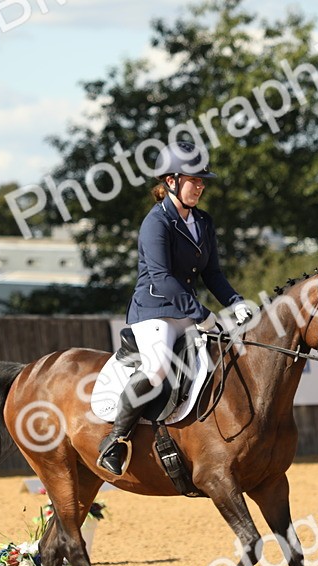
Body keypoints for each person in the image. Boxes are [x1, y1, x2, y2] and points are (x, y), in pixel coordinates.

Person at [96, 140, 253, 476]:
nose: (200, 186)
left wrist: (236, 302)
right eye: (193, 180)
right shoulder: (156, 223)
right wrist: (203, 315)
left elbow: (212, 274)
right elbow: (163, 278)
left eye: (201, 181)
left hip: (185, 311)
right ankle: (115, 439)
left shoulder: (204, 222)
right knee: (156, 368)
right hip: (154, 311)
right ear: (171, 181)